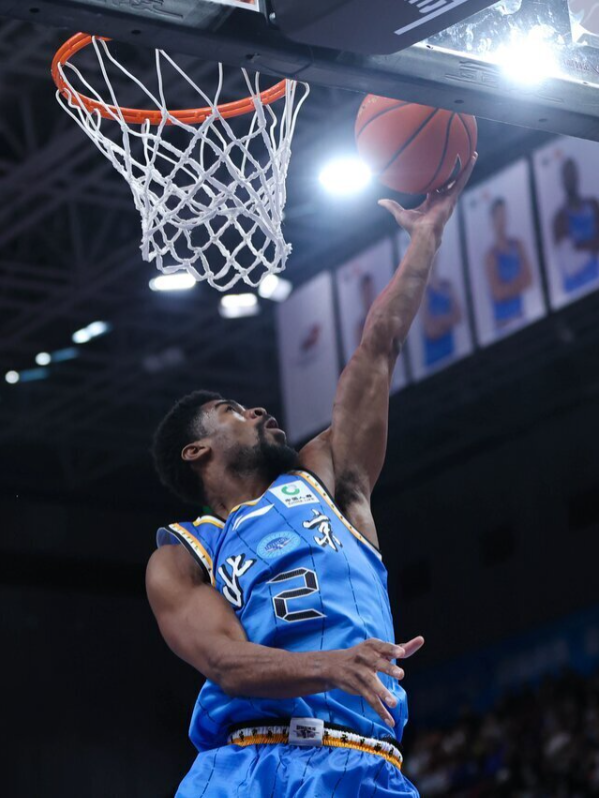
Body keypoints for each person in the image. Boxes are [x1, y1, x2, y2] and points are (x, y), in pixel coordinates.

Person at [146, 154, 477, 799]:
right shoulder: (183, 558)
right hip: (246, 766)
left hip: (364, 765)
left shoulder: (325, 478)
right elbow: (225, 662)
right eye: (232, 411)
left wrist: (426, 240)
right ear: (196, 452)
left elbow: (377, 350)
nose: (257, 412)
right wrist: (331, 665)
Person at [553, 157, 599, 295]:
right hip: (576, 292)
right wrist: (593, 246)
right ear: (562, 181)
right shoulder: (559, 219)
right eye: (567, 175)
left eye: (573, 173)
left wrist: (579, 246)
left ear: (578, 176)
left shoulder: (593, 204)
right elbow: (569, 261)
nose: (571, 178)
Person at [485, 197, 533, 330]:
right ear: (492, 221)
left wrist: (507, 288)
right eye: (499, 216)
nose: (502, 220)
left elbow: (529, 280)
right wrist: (518, 284)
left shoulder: (518, 245)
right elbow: (498, 293)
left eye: (504, 215)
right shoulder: (490, 257)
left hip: (521, 316)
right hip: (503, 323)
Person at [421, 253, 462, 368]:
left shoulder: (447, 285)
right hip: (434, 361)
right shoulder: (422, 292)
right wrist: (449, 319)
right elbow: (431, 331)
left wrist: (438, 320)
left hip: (451, 353)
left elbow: (459, 317)